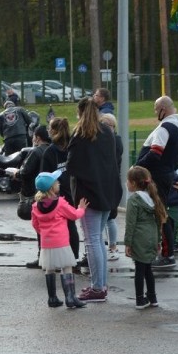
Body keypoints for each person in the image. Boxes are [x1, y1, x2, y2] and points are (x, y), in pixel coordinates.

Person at [66, 97, 122, 302]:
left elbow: (72, 166)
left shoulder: (80, 134)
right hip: (108, 191)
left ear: (79, 113)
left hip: (88, 195)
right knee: (98, 241)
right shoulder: (107, 132)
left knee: (92, 242)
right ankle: (101, 284)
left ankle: (97, 287)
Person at [136, 95, 178, 268]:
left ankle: (167, 254)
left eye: (156, 109)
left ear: (163, 109)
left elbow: (155, 153)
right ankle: (165, 251)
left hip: (157, 175)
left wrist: (137, 167)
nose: (155, 112)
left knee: (160, 214)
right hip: (167, 173)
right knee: (161, 213)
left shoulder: (165, 128)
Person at [31, 171, 88, 308]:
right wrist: (81, 209)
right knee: (66, 267)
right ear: (52, 188)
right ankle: (70, 298)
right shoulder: (60, 203)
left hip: (46, 243)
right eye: (56, 182)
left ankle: (52, 299)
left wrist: (44, 233)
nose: (59, 183)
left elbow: (35, 225)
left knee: (49, 269)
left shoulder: (35, 206)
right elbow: (74, 215)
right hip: (61, 242)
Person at [124, 166, 167, 309]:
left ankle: (139, 299)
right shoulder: (152, 198)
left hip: (139, 238)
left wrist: (127, 243)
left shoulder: (134, 200)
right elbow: (158, 222)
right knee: (148, 268)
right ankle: (152, 296)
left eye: (128, 181)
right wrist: (158, 240)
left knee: (139, 270)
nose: (126, 183)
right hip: (151, 237)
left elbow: (131, 224)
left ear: (134, 183)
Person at [41, 117, 80, 262]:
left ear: (54, 131)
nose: (48, 131)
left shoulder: (50, 151)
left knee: (54, 227)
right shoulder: (72, 145)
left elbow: (44, 175)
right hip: (73, 190)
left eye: (49, 128)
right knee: (71, 225)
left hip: (57, 193)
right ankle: (73, 257)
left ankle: (52, 258)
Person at [18, 125, 52, 268]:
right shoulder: (52, 150)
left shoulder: (36, 152)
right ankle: (51, 257)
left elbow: (25, 171)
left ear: (37, 138)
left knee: (40, 227)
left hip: (36, 193)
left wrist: (16, 173)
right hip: (53, 193)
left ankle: (42, 258)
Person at [99, 113, 123, 261]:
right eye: (104, 125)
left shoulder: (116, 141)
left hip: (111, 182)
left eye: (109, 125)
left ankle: (113, 247)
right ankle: (101, 246)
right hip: (103, 181)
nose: (107, 128)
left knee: (110, 217)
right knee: (102, 218)